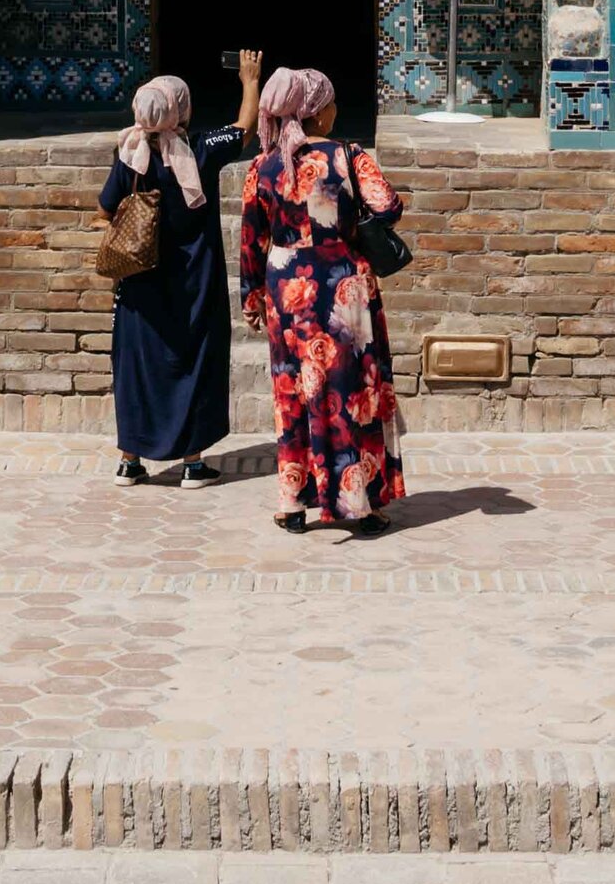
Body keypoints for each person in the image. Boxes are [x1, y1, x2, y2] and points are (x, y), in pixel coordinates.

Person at [237, 62, 407, 534]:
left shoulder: (263, 165)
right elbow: (388, 206)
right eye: (329, 102)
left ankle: (292, 502)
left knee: (293, 393)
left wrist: (252, 298)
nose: (335, 110)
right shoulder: (348, 157)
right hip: (341, 287)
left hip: (286, 290)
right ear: (316, 112)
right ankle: (359, 505)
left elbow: (250, 237)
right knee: (349, 393)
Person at [99, 56, 262, 485]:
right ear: (181, 111)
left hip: (140, 284)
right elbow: (245, 129)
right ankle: (192, 461)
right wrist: (250, 80)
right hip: (194, 281)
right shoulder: (201, 151)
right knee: (195, 362)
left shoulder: (129, 155)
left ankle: (129, 460)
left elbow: (104, 207)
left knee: (137, 366)